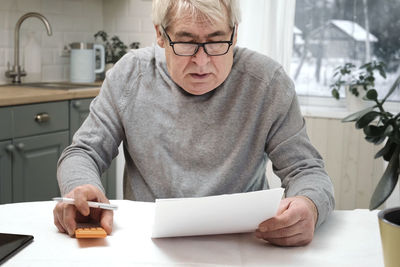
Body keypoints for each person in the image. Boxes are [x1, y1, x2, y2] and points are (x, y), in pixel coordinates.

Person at [53, 0, 335, 247]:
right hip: (148, 242)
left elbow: (306, 170)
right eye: (186, 42)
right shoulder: (129, 75)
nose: (202, 62)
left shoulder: (268, 82)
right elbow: (83, 153)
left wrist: (309, 205)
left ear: (234, 33)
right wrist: (81, 187)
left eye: (215, 41)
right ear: (160, 35)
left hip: (245, 243)